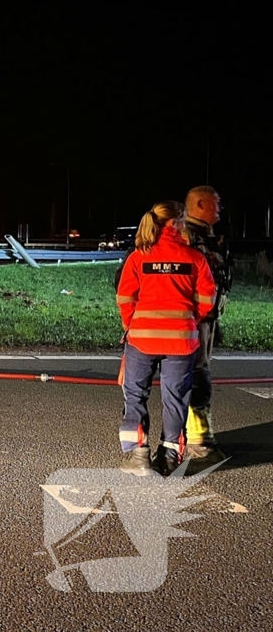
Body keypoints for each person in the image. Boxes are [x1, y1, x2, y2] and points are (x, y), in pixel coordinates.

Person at [116, 201, 217, 477]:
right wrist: (189, 320)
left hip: (142, 339)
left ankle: (138, 456)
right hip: (181, 341)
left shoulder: (138, 257)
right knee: (175, 398)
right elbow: (208, 299)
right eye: (182, 221)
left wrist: (132, 325)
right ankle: (170, 457)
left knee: (135, 395)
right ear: (175, 224)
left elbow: (125, 298)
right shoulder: (195, 258)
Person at [184, 185, 232, 462]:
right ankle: (199, 442)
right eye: (216, 203)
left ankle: (195, 437)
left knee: (199, 371)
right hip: (195, 319)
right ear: (200, 205)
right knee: (197, 373)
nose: (220, 208)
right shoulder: (189, 237)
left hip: (207, 317)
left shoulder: (206, 237)